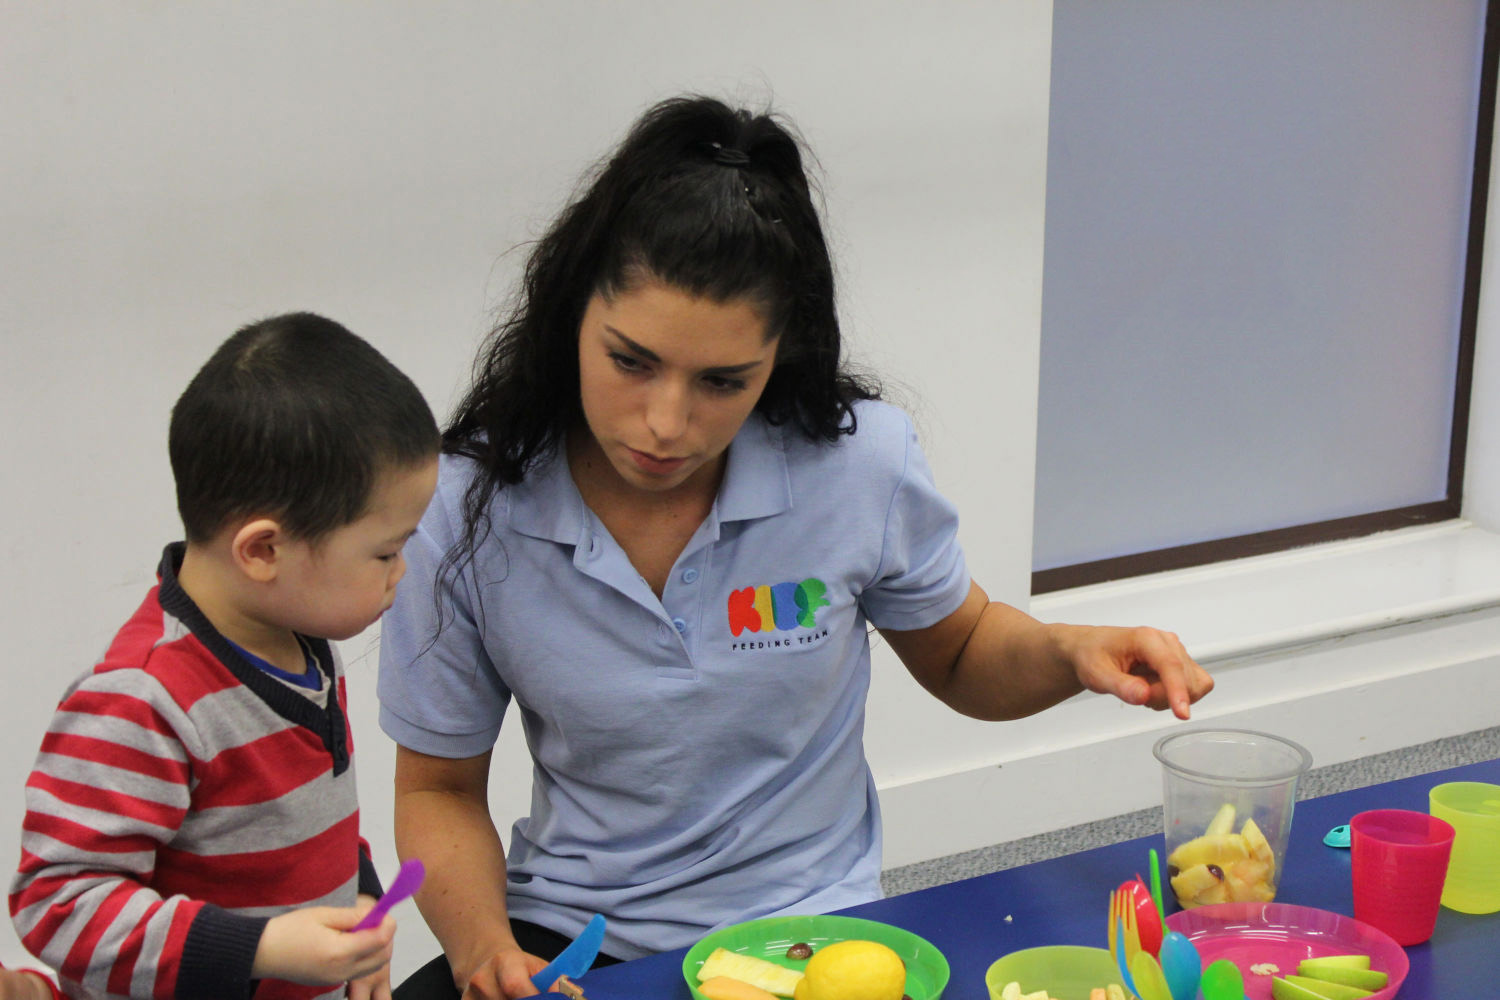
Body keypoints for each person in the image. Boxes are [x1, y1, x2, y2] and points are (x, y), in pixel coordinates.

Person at [377, 96, 1214, 1000]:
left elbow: (965, 652)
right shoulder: (464, 505)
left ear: (781, 356)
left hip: (816, 936)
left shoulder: (860, 463)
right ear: (571, 315)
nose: (666, 423)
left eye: (723, 382)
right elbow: (439, 792)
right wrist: (483, 950)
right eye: (631, 361)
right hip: (576, 936)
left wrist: (1068, 651)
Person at [10, 313, 441, 1000]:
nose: (403, 572)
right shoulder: (143, 700)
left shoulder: (297, 636)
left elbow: (303, 823)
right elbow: (57, 901)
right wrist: (262, 948)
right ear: (265, 550)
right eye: (386, 552)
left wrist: (360, 903)